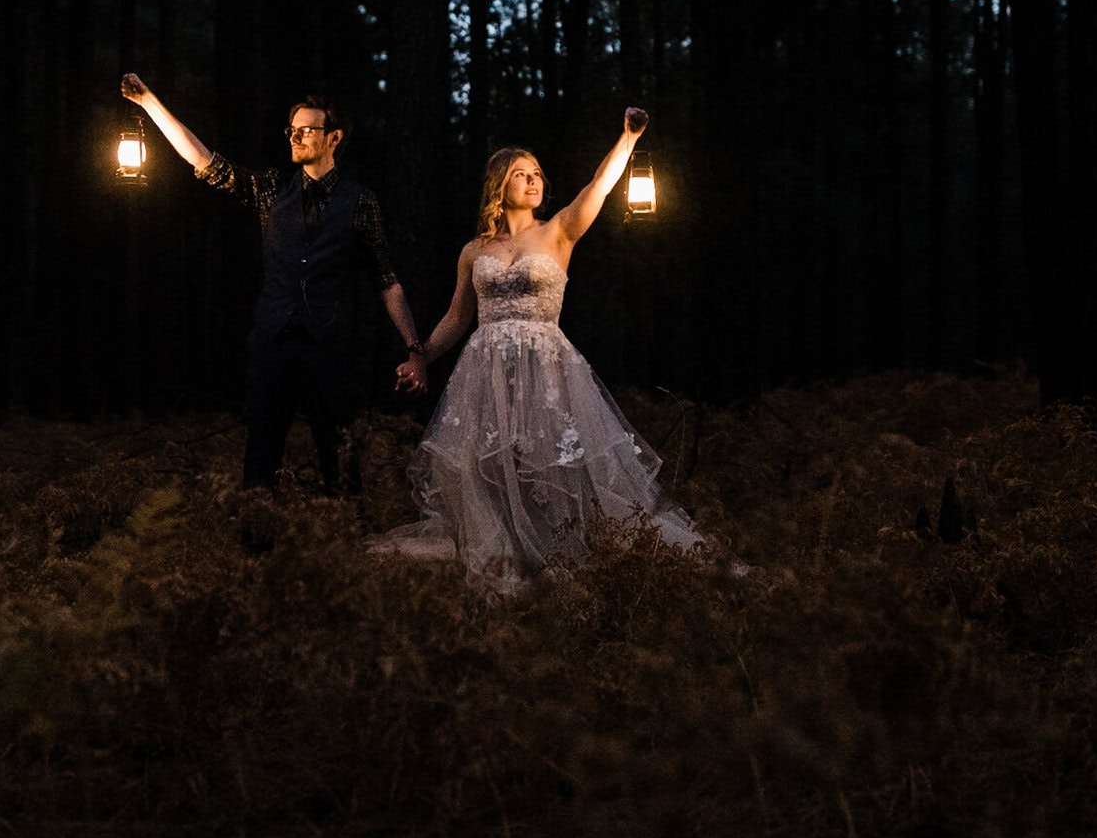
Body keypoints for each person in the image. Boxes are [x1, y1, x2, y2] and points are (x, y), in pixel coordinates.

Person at [373, 107, 722, 592]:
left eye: (537, 173)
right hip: (487, 370)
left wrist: (628, 139)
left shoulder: (559, 229)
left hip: (547, 367)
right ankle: (504, 560)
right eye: (521, 174)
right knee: (492, 466)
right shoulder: (475, 250)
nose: (533, 180)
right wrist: (419, 356)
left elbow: (598, 187)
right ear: (500, 185)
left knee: (550, 461)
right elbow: (457, 317)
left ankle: (566, 556)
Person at [120, 73, 428, 494]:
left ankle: (346, 545)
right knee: (261, 454)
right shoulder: (270, 189)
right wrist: (151, 105)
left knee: (338, 455)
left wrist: (414, 347)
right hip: (272, 338)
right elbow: (206, 162)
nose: (295, 137)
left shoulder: (359, 201)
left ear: (334, 137)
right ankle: (256, 546)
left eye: (306, 130)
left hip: (329, 344)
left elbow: (386, 280)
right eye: (292, 130)